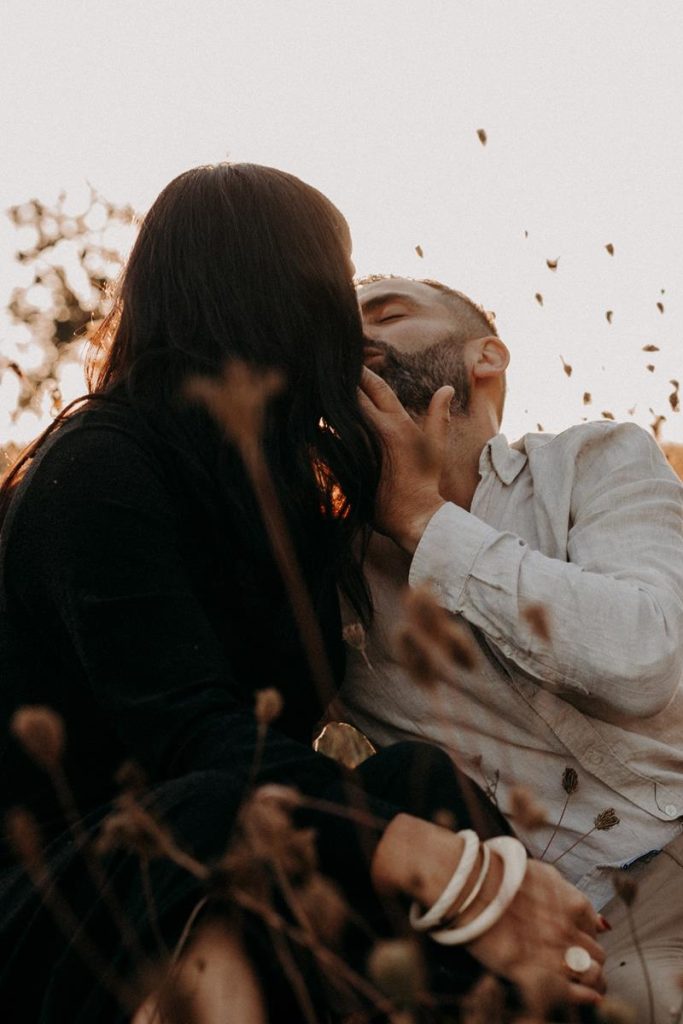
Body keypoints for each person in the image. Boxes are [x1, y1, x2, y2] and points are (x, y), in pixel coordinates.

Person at [0, 168, 605, 1022]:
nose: (345, 313)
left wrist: (418, 499)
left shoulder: (274, 494)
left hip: (249, 847)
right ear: (274, 286)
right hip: (71, 896)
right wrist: (456, 876)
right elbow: (195, 743)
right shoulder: (97, 470)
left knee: (418, 777)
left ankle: (552, 991)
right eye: (335, 273)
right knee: (211, 814)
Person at [336, 273, 683, 1021]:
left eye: (387, 314)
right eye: (340, 328)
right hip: (577, 917)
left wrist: (426, 521)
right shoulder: (334, 578)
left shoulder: (596, 459)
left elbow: (641, 657)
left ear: (484, 358)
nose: (356, 336)